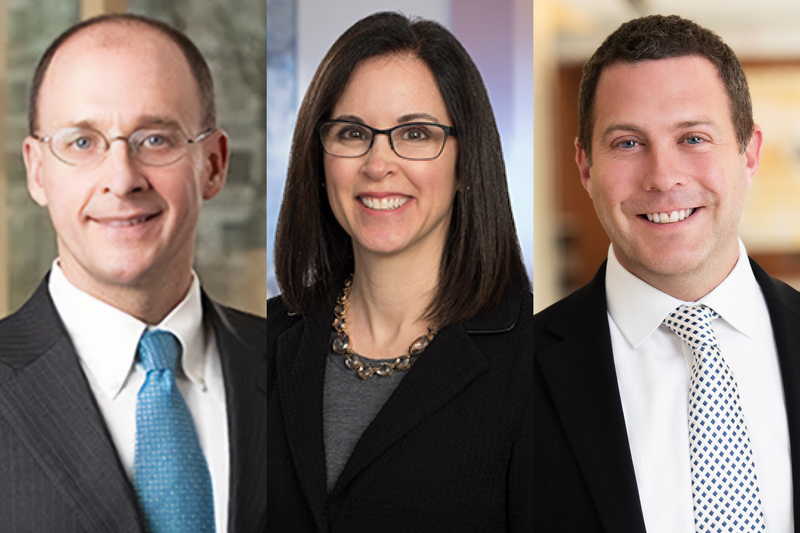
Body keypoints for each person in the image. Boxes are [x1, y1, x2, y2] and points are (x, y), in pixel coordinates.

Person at [534, 14, 800, 532]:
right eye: (628, 143)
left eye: (693, 138)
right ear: (586, 166)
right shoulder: (510, 381)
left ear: (749, 152)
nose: (662, 177)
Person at [267, 11, 532, 533]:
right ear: (319, 162)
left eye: (414, 133)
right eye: (351, 133)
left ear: (466, 165)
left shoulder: (536, 358)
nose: (378, 162)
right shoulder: (263, 339)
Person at [0, 14, 266, 533]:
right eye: (82, 142)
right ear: (37, 170)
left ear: (213, 164)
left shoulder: (300, 373)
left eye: (155, 139)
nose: (121, 180)